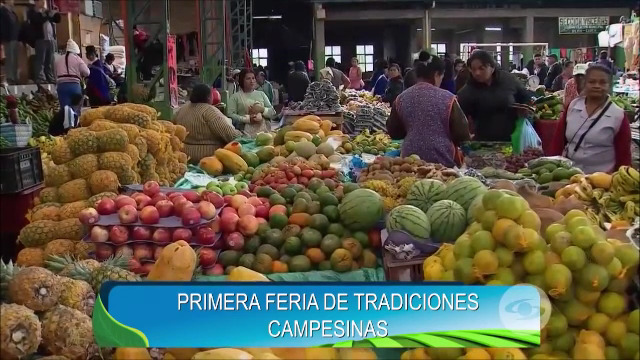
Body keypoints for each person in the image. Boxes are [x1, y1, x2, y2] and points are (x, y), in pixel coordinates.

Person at [386, 56, 470, 168]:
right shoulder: (448, 98)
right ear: (436, 74)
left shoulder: (401, 98)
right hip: (443, 159)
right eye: (442, 76)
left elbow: (394, 132)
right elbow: (462, 134)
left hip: (410, 160)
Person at [549, 65, 631, 173]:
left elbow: (624, 155)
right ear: (585, 83)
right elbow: (558, 142)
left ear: (609, 85)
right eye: (592, 82)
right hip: (569, 177)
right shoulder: (572, 107)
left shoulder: (618, 115)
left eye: (602, 82)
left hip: (602, 180)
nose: (597, 86)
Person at [457, 50, 531, 142]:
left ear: (492, 67)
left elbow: (525, 97)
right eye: (473, 69)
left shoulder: (508, 80)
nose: (477, 73)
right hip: (483, 142)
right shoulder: (467, 91)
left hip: (513, 139)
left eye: (481, 68)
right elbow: (459, 118)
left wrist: (524, 109)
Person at [172, 83, 241, 164]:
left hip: (184, 156)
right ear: (209, 97)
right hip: (209, 160)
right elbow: (232, 136)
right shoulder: (209, 111)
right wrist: (242, 135)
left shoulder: (183, 108)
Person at [227, 68, 276, 136]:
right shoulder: (235, 97)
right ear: (242, 80)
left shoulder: (261, 94)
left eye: (253, 78)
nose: (252, 81)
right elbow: (230, 115)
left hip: (264, 134)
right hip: (243, 134)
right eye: (248, 78)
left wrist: (262, 109)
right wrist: (247, 119)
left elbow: (272, 113)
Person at [28, 0, 61, 84]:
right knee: (40, 60)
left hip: (50, 39)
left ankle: (50, 78)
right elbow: (37, 21)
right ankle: (40, 78)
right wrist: (47, 15)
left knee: (49, 61)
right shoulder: (33, 12)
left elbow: (57, 20)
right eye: (41, 1)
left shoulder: (46, 12)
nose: (43, 3)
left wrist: (55, 13)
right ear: (36, 2)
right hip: (40, 39)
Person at [54, 39, 89, 109]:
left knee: (65, 110)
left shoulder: (58, 59)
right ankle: (75, 120)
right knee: (75, 109)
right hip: (74, 86)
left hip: (62, 87)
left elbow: (55, 73)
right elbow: (87, 72)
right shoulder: (77, 59)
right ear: (75, 51)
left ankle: (66, 119)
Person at [1, 0, 20, 85]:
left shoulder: (12, 11)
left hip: (14, 38)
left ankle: (14, 77)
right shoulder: (2, 11)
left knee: (14, 59)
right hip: (7, 39)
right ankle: (9, 78)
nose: (13, 1)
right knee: (9, 59)